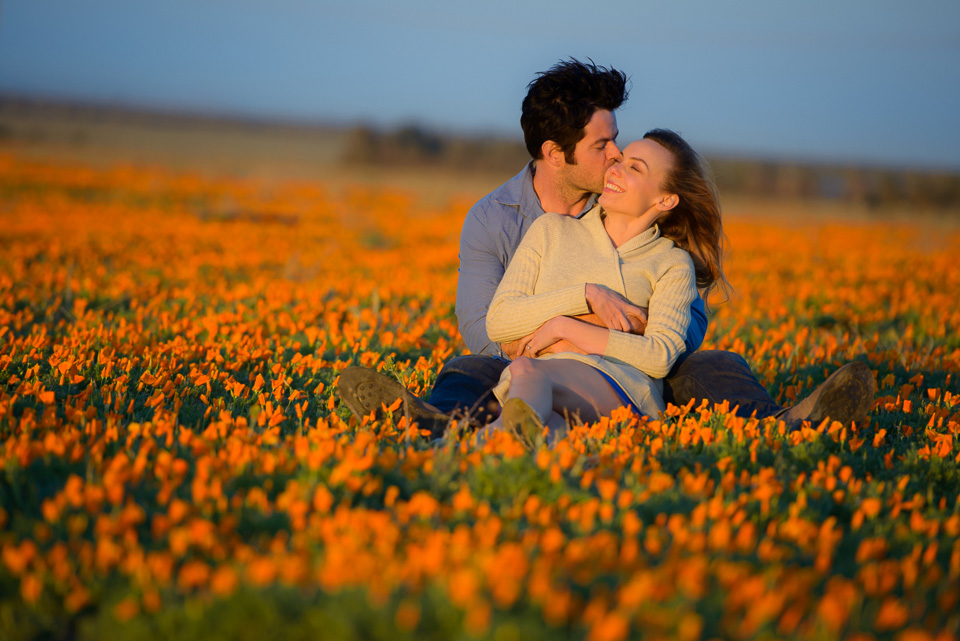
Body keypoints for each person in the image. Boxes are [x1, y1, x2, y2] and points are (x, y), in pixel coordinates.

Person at [336, 59, 876, 438]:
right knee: (470, 369)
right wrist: (583, 304)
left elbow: (680, 328)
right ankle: (435, 423)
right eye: (603, 145)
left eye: (618, 141)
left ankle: (788, 425)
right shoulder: (497, 221)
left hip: (633, 372)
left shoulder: (646, 229)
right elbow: (487, 330)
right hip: (525, 358)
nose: (616, 155)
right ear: (555, 154)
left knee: (707, 367)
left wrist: (628, 327)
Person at [484, 129, 724, 443]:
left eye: (635, 168)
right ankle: (455, 455)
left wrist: (563, 327)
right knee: (545, 435)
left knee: (528, 371)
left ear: (665, 199)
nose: (615, 169)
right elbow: (499, 320)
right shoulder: (550, 230)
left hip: (621, 392)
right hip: (542, 388)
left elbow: (660, 355)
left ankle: (445, 453)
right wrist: (585, 295)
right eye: (620, 160)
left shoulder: (671, 263)